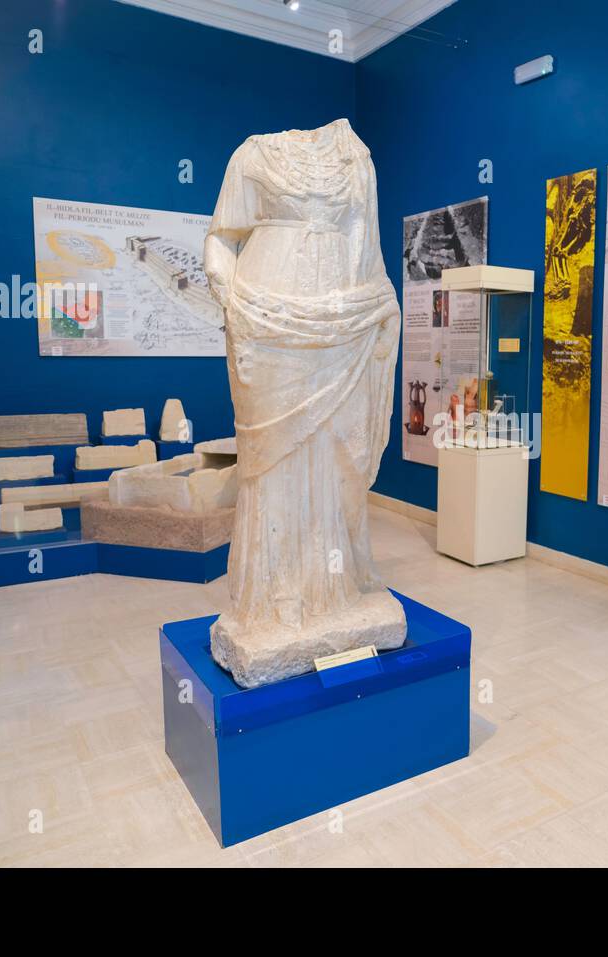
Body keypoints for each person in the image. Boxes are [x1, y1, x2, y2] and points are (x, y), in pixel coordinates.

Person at [203, 118, 406, 686]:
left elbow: (368, 243)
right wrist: (232, 300)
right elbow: (220, 239)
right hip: (267, 320)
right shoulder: (252, 153)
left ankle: (336, 589)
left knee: (341, 450)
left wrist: (377, 305)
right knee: (273, 458)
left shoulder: (354, 154)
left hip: (344, 318)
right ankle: (272, 600)